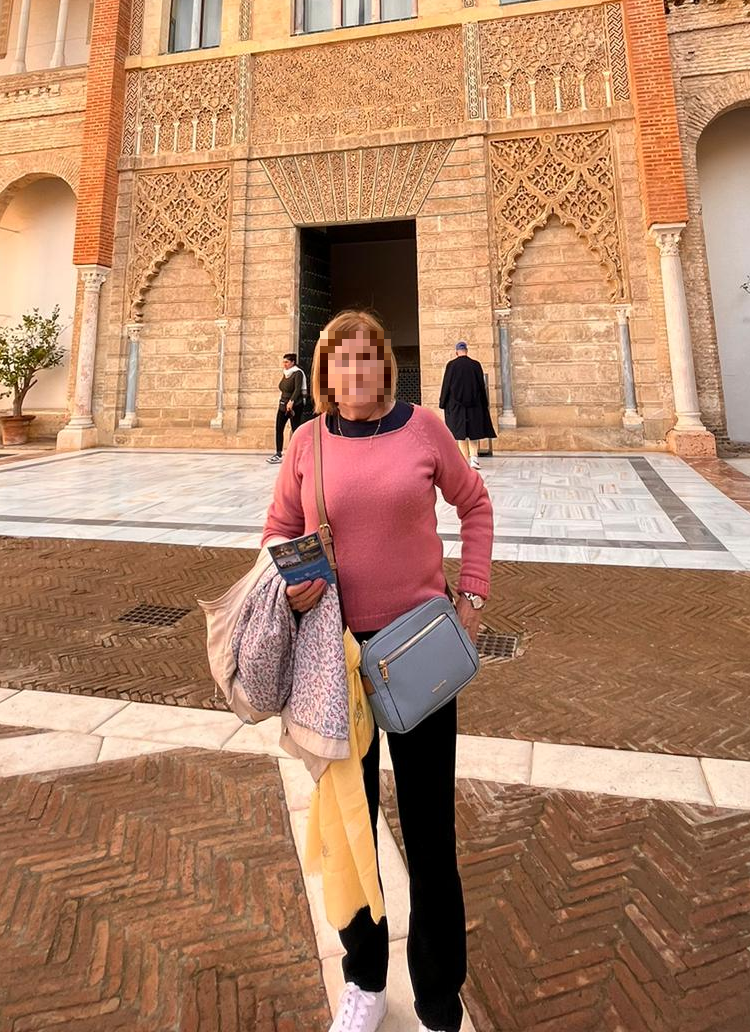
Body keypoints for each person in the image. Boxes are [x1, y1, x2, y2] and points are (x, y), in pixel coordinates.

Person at [263, 308, 494, 1032]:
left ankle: (436, 1002)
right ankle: (363, 980)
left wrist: (473, 592)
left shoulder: (423, 429)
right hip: (336, 661)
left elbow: (475, 503)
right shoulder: (307, 443)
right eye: (341, 360)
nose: (355, 371)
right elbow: (278, 528)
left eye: (367, 358)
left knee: (430, 837)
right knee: (349, 826)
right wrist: (292, 578)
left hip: (417, 653)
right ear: (324, 372)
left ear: (384, 367)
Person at [438, 341, 496, 469]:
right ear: (467, 351)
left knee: (461, 434)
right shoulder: (475, 365)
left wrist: (442, 402)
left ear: (456, 352)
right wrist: (484, 403)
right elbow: (481, 386)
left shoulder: (451, 365)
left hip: (456, 406)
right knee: (473, 432)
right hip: (474, 405)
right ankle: (474, 458)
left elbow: (446, 385)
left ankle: (464, 460)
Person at [268, 351, 307, 465]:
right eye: (283, 362)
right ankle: (278, 453)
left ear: (293, 362)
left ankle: (299, 453)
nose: (284, 364)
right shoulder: (286, 373)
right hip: (283, 404)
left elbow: (297, 389)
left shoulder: (297, 373)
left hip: (294, 405)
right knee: (279, 427)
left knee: (296, 429)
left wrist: (291, 402)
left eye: (287, 362)